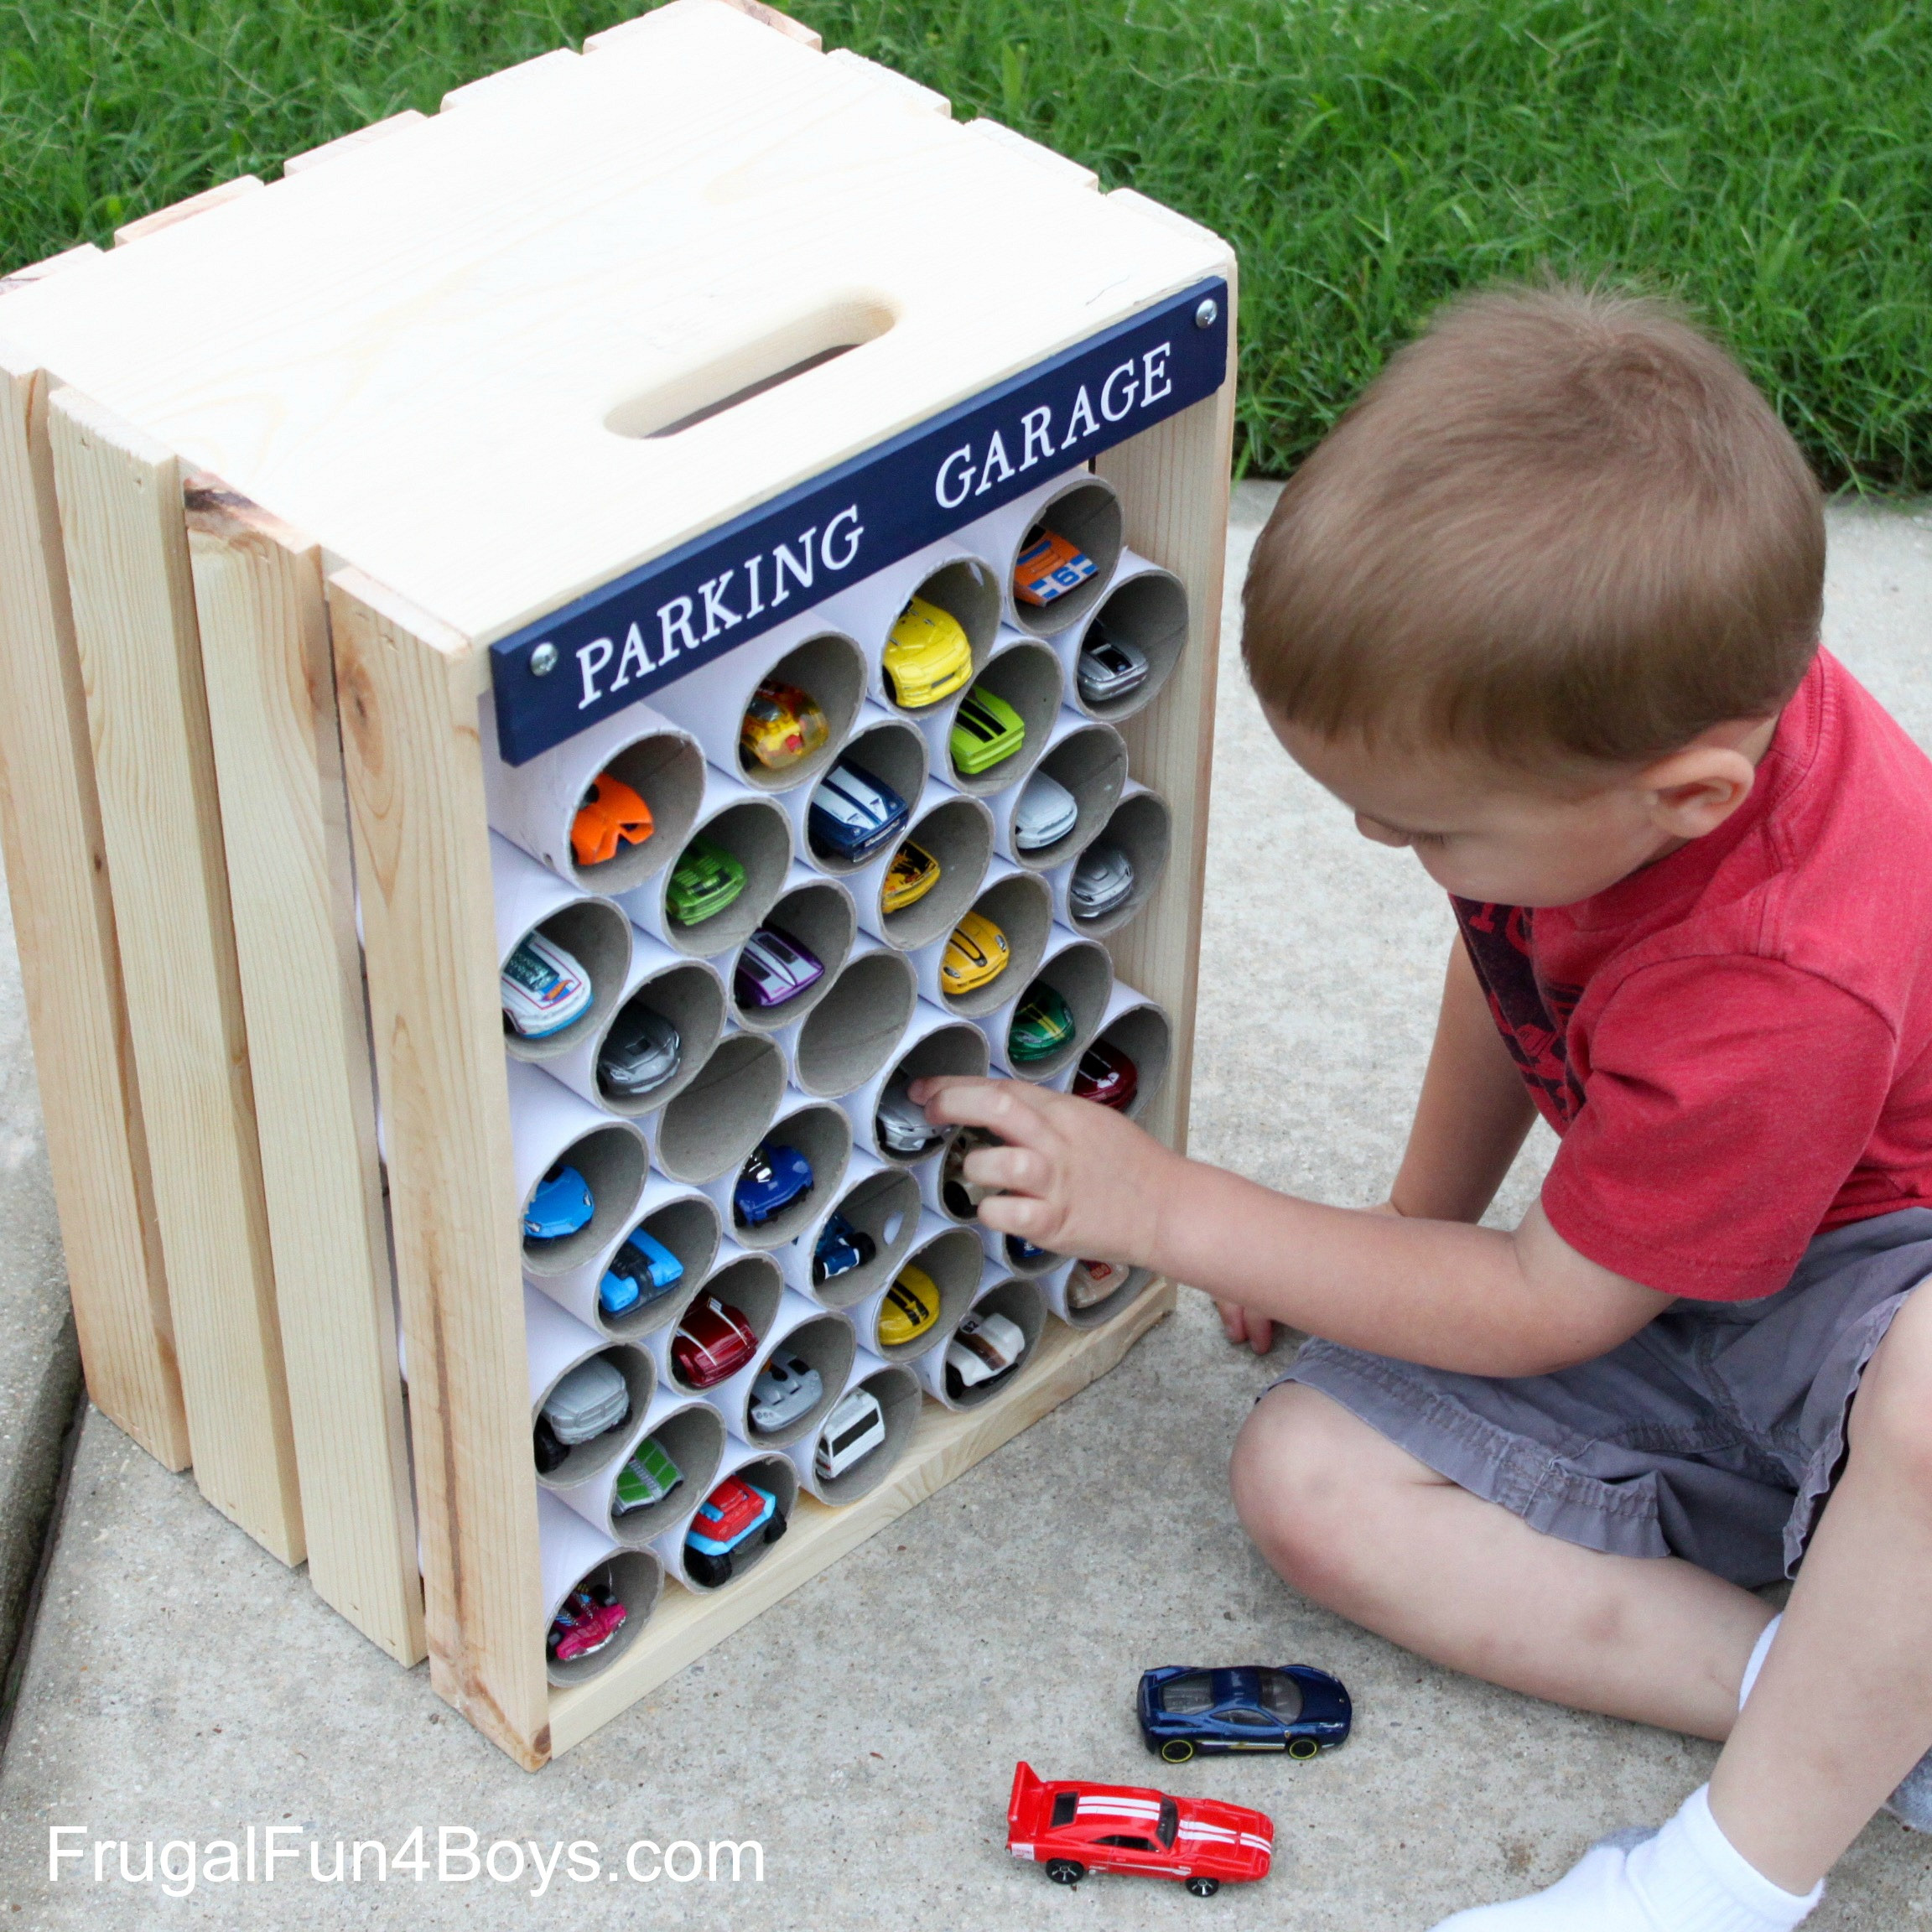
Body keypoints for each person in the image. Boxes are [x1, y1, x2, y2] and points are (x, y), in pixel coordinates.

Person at [911, 282, 1932, 1930]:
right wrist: (1400, 1234)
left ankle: (1735, 1871)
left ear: (1690, 798)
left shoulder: (1782, 973)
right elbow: (1519, 977)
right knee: (1308, 1480)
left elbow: (1550, 1307)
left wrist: (1173, 1207)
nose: (1396, 854)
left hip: (1871, 1295)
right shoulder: (1611, 777)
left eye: (1431, 829)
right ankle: (1855, 1701)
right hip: (1709, 1277)